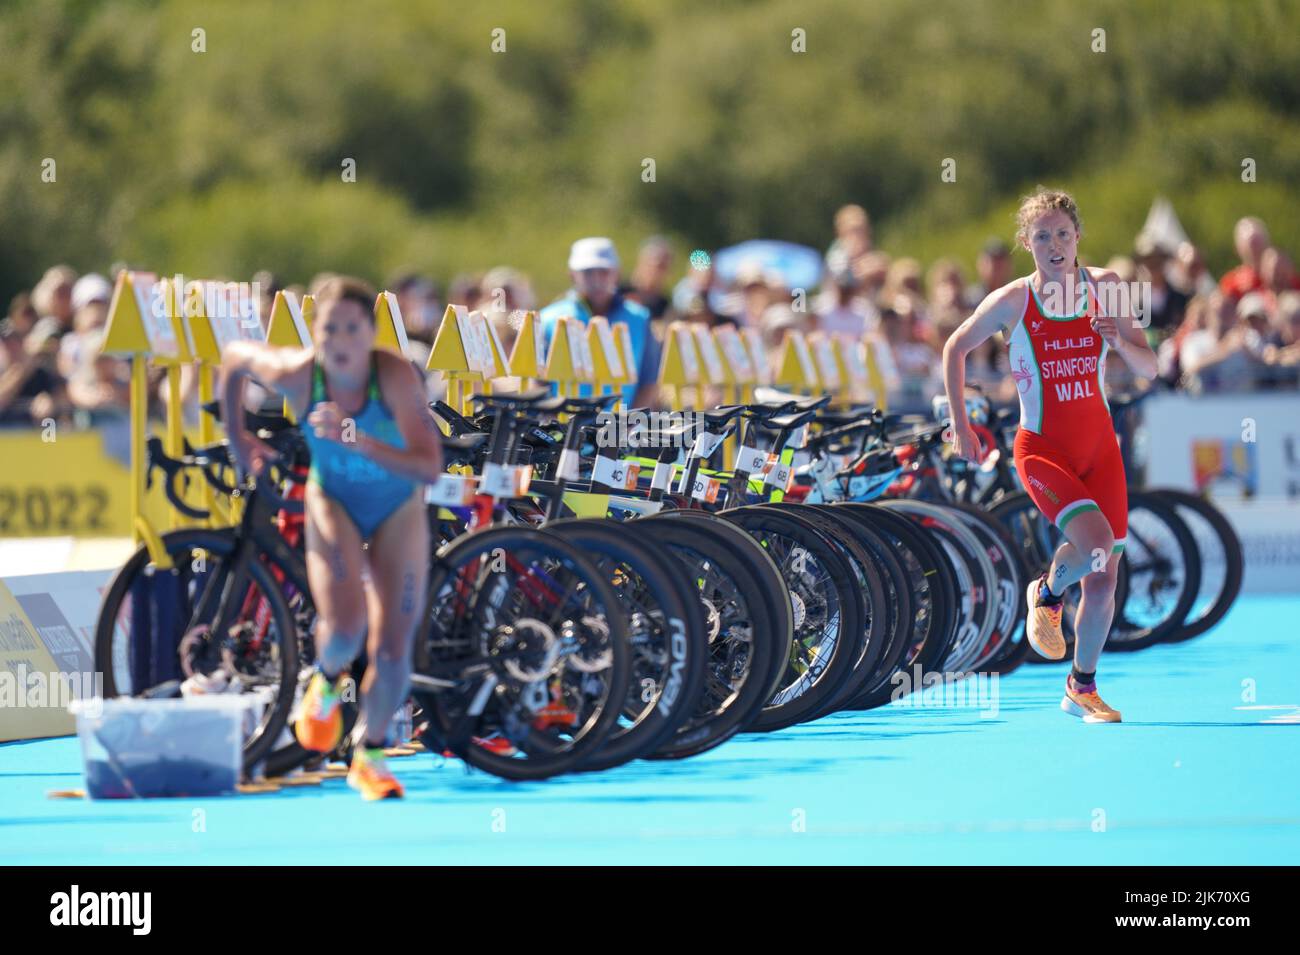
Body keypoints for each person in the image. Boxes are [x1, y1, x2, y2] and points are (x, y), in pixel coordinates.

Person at [219, 276, 443, 800]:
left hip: (397, 506)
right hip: (333, 501)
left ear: (370, 333)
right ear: (315, 334)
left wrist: (358, 439)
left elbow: (430, 466)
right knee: (346, 629)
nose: (340, 340)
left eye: (351, 328)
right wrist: (237, 437)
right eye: (329, 329)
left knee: (392, 648)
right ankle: (323, 677)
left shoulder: (394, 375)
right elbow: (233, 357)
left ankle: (371, 755)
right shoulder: (298, 373)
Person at [942, 188, 1157, 724]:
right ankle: (1048, 589)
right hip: (1042, 450)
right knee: (1098, 546)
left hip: (1100, 450)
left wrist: (1122, 343)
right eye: (1042, 236)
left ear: (1078, 237)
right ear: (1027, 243)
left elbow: (1150, 367)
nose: (1055, 244)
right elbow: (955, 348)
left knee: (1105, 576)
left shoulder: (1107, 288)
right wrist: (960, 423)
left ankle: (1081, 686)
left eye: (1063, 234)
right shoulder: (1015, 300)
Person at [538, 238, 660, 406]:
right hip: (561, 426)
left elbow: (649, 379)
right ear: (572, 275)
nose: (596, 280)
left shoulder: (640, 318)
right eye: (587, 272)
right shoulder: (548, 319)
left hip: (620, 426)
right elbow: (536, 379)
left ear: (616, 273)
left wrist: (630, 422)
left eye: (603, 271)